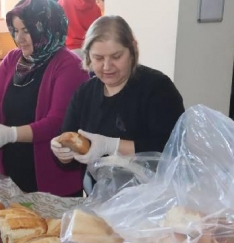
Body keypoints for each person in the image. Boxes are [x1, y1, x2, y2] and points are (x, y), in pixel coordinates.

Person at [0, 0, 89, 198]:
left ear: (46, 28)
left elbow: (57, 123)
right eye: (16, 30)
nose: (19, 38)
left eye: (27, 31)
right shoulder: (12, 59)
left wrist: (11, 134)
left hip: (52, 178)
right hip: (14, 170)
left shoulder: (69, 65)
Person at [53, 16, 184, 180]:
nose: (107, 66)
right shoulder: (84, 94)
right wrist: (63, 154)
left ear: (132, 50)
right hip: (99, 192)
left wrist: (112, 145)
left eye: (116, 57)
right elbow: (69, 149)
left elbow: (170, 148)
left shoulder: (158, 88)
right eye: (98, 58)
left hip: (150, 191)